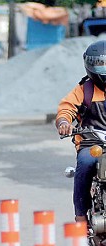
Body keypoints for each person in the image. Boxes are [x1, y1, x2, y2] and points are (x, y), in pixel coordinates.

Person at [56, 40, 106, 225]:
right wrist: (64, 122)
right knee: (85, 164)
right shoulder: (83, 90)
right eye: (100, 64)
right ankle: (81, 215)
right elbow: (66, 109)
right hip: (91, 143)